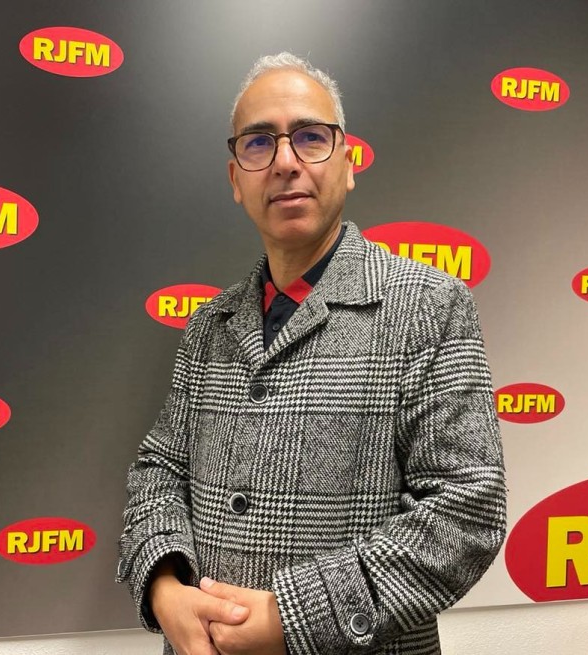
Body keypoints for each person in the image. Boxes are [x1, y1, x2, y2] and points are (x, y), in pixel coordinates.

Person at [117, 52, 506, 655]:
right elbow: (158, 468)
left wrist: (293, 618)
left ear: (347, 162)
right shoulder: (209, 326)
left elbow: (467, 513)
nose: (285, 162)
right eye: (258, 143)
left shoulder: (430, 306)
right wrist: (164, 584)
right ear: (236, 180)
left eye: (310, 137)